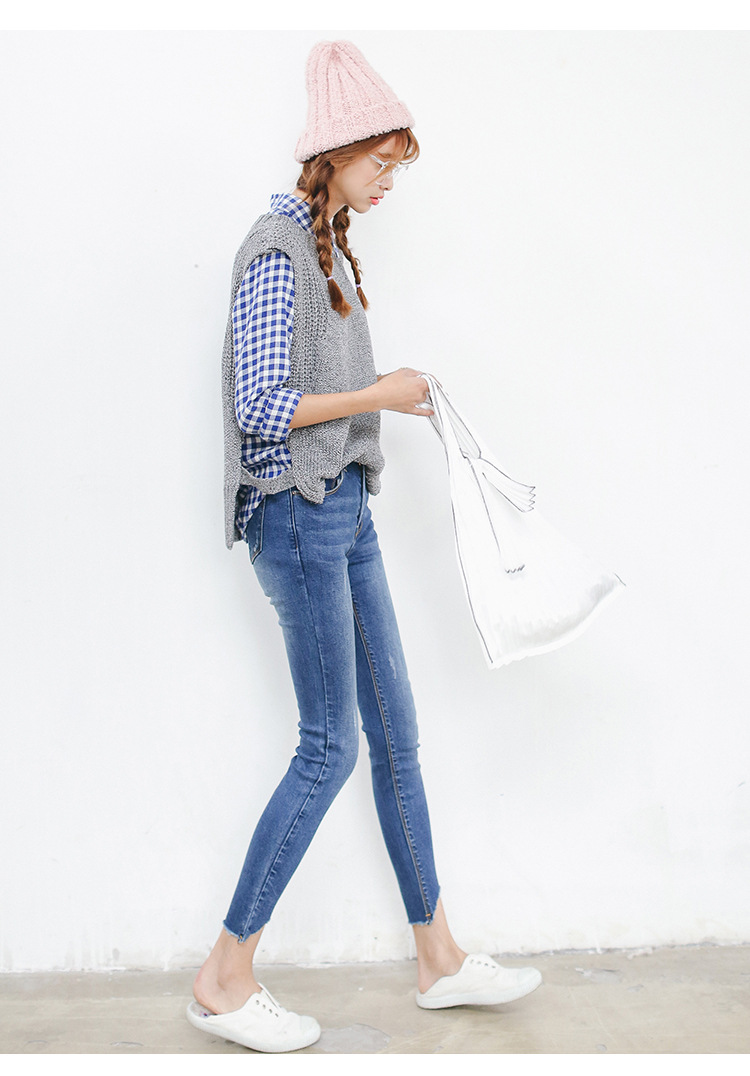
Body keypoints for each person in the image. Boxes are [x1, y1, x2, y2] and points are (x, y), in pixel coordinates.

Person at [187, 40, 542, 1054]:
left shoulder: (333, 249)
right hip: (297, 514)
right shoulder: (277, 248)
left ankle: (439, 958)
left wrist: (383, 403)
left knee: (395, 731)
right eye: (381, 162)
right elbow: (260, 405)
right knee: (330, 746)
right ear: (335, 153)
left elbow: (313, 395)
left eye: (396, 165)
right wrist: (379, 395)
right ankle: (224, 975)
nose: (389, 181)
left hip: (346, 508)